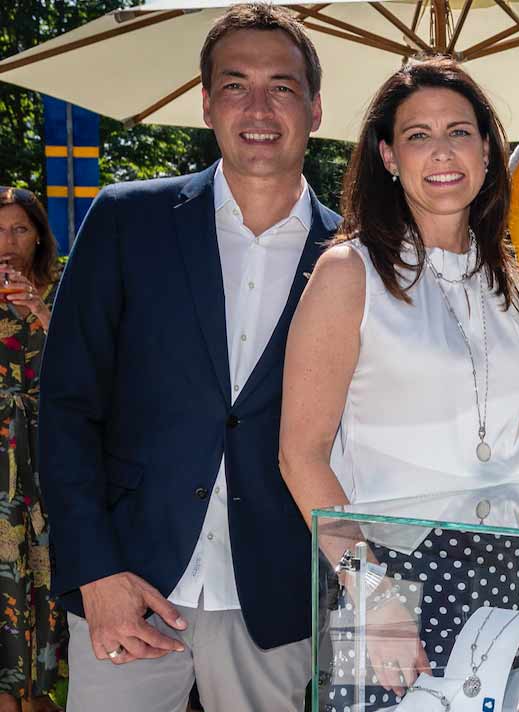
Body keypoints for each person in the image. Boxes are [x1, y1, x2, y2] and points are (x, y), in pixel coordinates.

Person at [38, 5, 336, 710]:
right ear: (206, 104)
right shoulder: (124, 221)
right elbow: (67, 409)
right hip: (130, 590)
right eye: (235, 85)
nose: (257, 107)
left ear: (316, 108)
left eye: (282, 87)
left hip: (278, 602)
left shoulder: (354, 257)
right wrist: (96, 573)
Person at [279, 56, 519, 710]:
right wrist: (374, 598)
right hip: (387, 575)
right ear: (388, 156)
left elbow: (513, 431)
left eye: (458, 131)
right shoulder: (349, 271)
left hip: (516, 566)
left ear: (487, 147)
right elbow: (300, 455)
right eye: (418, 135)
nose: (442, 152)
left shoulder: (514, 276)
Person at [0, 187, 63, 712]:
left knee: (43, 564)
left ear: (39, 235)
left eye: (20, 229)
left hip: (48, 454)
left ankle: (40, 689)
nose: (9, 241)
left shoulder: (66, 286)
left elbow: (89, 365)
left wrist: (40, 309)